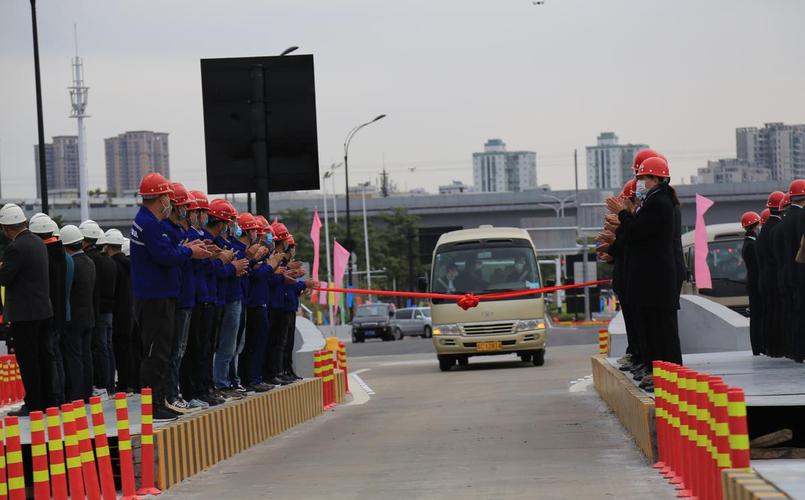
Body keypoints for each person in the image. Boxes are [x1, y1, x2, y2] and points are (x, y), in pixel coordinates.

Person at [130, 173, 211, 421]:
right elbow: (164, 256)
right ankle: (153, 405)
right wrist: (188, 252)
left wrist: (185, 250)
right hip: (155, 297)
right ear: (160, 198)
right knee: (157, 352)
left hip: (160, 295)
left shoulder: (149, 222)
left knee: (162, 352)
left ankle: (159, 400)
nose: (171, 203)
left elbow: (167, 252)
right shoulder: (150, 224)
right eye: (168, 197)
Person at [606, 157, 681, 392]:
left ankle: (667, 373)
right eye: (639, 178)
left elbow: (637, 232)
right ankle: (657, 371)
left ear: (657, 178)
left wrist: (623, 215)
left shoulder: (658, 202)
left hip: (656, 279)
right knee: (652, 328)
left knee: (661, 331)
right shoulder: (654, 201)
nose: (641, 182)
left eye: (644, 178)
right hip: (650, 279)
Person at [0, 204, 53, 415]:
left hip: (25, 315)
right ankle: (48, 401)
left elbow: (4, 278)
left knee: (29, 361)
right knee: (44, 358)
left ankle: (33, 403)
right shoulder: (38, 243)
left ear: (7, 228)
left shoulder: (15, 248)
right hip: (42, 311)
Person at [162, 182, 197, 414]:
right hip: (176, 298)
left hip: (186, 297)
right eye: (187, 208)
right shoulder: (167, 231)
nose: (191, 213)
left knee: (181, 350)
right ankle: (170, 394)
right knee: (174, 350)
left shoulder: (182, 233)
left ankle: (175, 393)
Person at [211, 200, 249, 400]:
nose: (235, 224)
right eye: (232, 220)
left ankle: (226, 381)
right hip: (223, 298)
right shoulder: (216, 244)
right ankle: (221, 383)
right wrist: (233, 267)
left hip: (234, 297)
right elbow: (216, 271)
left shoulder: (229, 244)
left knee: (233, 345)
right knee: (225, 345)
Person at [29, 213, 68, 406]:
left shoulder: (45, 255)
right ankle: (59, 395)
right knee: (56, 356)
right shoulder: (59, 253)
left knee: (50, 357)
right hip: (58, 313)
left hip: (47, 314)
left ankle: (55, 397)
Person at [80, 220, 117, 396]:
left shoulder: (89, 261)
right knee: (107, 348)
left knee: (99, 347)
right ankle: (109, 383)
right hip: (109, 310)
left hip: (98, 311)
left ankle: (102, 383)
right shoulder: (108, 261)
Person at [59, 225, 96, 402]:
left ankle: (76, 394)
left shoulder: (70, 264)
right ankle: (87, 392)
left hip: (73, 317)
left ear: (65, 245)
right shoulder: (89, 262)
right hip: (88, 315)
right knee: (86, 355)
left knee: (74, 357)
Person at [103, 228, 138, 393]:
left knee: (119, 349)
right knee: (130, 348)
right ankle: (131, 382)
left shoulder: (113, 265)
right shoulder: (131, 266)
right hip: (130, 312)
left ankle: (124, 383)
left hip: (117, 313)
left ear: (109, 246)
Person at [757, 191, 785, 357]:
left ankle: (769, 347)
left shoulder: (764, 230)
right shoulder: (777, 228)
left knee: (769, 313)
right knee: (778, 313)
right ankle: (778, 347)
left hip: (764, 278)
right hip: (775, 277)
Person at [740, 211, 763, 356]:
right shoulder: (751, 245)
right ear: (755, 226)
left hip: (752, 283)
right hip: (756, 284)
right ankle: (757, 347)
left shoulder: (748, 242)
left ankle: (757, 347)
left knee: (756, 316)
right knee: (757, 317)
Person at [787, 180, 805, 362]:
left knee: (797, 312)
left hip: (793, 272)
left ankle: (797, 351)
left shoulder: (788, 219)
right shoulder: (801, 216)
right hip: (801, 270)